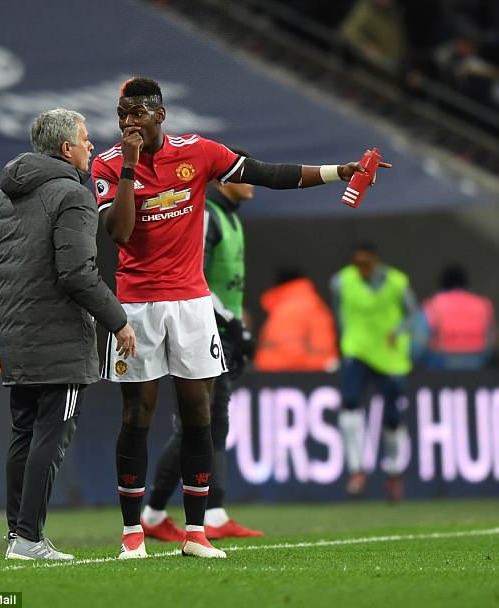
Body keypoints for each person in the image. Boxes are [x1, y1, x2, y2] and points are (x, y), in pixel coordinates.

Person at [91, 77, 391, 559]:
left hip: (191, 304)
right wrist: (129, 167)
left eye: (138, 113)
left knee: (200, 414)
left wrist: (341, 170)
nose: (129, 122)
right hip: (137, 305)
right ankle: (132, 534)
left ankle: (196, 533)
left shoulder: (198, 152)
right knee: (137, 415)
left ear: (160, 115)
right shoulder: (107, 164)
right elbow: (120, 233)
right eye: (122, 114)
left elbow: (269, 173)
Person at [0, 109, 136, 561]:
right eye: (85, 139)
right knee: (51, 436)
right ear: (67, 149)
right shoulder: (73, 195)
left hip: (17, 341)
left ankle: (17, 536)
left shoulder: (2, 198)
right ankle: (29, 538)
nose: (90, 146)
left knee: (23, 435)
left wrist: (7, 329)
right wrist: (118, 320)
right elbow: (77, 274)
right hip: (60, 342)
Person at [140, 153, 262, 542]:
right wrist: (234, 325)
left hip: (219, 331)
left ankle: (196, 512)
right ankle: (166, 512)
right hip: (200, 330)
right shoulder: (207, 215)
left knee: (211, 422)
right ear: (222, 180)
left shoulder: (230, 218)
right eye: (244, 175)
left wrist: (236, 328)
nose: (252, 181)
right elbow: (195, 277)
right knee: (199, 422)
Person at [330, 242, 416, 501]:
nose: (362, 269)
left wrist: (398, 332)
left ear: (376, 262)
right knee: (350, 405)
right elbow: (339, 313)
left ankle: (394, 471)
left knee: (392, 417)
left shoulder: (397, 282)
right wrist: (345, 340)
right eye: (357, 264)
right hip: (358, 351)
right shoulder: (341, 281)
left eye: (366, 264)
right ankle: (356, 471)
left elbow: (413, 315)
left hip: (389, 356)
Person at [255, 268, 339, 371]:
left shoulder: (280, 309)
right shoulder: (313, 305)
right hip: (308, 375)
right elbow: (323, 348)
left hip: (273, 374)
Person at [416, 264, 496, 370]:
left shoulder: (433, 303)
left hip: (443, 360)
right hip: (477, 359)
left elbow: (419, 340)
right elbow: (491, 338)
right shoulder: (483, 304)